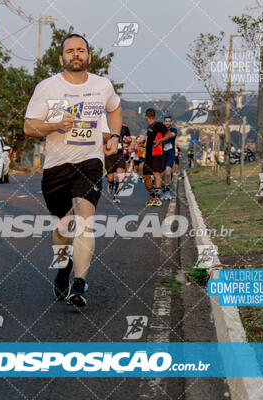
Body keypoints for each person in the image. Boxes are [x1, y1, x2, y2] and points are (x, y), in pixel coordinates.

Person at [23, 33, 122, 307]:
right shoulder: (47, 88)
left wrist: (114, 136)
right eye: (70, 51)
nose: (75, 54)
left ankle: (79, 284)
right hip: (56, 167)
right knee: (63, 227)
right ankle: (63, 267)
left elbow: (115, 108)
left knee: (84, 217)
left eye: (80, 50)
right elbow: (29, 127)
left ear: (88, 56)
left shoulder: (102, 86)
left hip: (90, 162)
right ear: (61, 58)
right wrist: (54, 125)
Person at [142, 109, 171, 206]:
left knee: (156, 174)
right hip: (148, 155)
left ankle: (157, 199)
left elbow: (169, 134)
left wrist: (159, 141)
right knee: (146, 176)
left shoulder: (158, 124)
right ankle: (152, 196)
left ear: (146, 116)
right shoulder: (149, 127)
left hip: (157, 153)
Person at [104, 122, 131, 203]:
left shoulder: (125, 127)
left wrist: (128, 140)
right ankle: (111, 183)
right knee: (110, 177)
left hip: (119, 154)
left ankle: (116, 195)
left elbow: (129, 139)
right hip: (109, 154)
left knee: (120, 174)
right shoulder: (106, 126)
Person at [160, 116, 177, 200]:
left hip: (170, 155)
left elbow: (171, 135)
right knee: (162, 175)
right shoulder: (160, 131)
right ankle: (163, 191)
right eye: (166, 121)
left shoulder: (174, 130)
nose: (167, 123)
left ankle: (167, 191)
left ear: (171, 122)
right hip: (161, 155)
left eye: (169, 121)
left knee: (167, 172)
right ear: (164, 122)